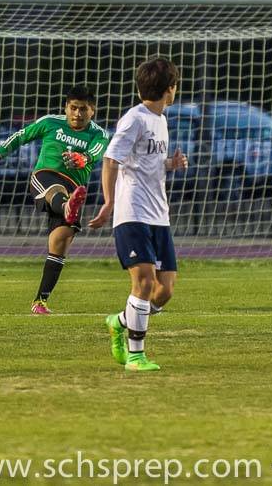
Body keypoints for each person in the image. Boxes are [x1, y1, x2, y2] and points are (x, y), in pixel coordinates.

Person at [89, 57, 188, 371]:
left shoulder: (161, 119)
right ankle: (135, 355)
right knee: (144, 283)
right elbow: (110, 160)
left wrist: (170, 165)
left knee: (165, 290)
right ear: (168, 89)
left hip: (159, 214)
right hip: (132, 212)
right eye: (174, 85)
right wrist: (109, 202)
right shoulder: (135, 118)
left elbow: (148, 162)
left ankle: (119, 322)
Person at [0, 85, 110, 314]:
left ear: (93, 111)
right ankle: (67, 205)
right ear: (66, 107)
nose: (77, 114)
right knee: (57, 189)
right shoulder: (51, 122)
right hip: (45, 178)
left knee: (59, 245)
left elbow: (97, 151)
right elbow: (21, 136)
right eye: (73, 108)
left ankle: (40, 302)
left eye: (83, 110)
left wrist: (83, 158)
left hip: (74, 188)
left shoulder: (98, 134)